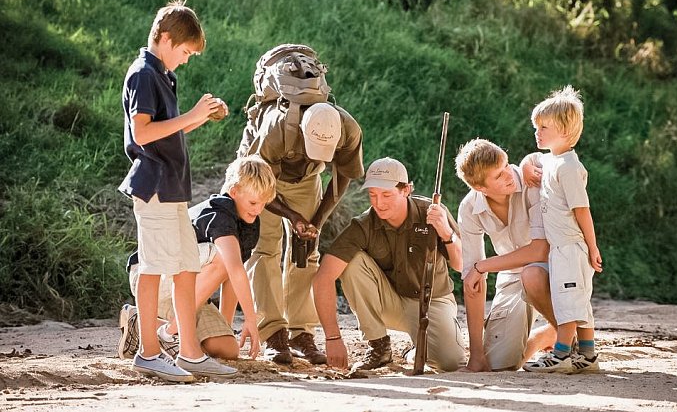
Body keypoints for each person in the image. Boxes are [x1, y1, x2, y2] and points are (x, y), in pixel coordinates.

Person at [118, 0, 235, 382]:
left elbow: (167, 131)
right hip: (152, 187)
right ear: (165, 38)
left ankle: (189, 352)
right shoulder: (143, 73)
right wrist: (191, 116)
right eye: (184, 51)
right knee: (153, 269)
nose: (185, 59)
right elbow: (143, 133)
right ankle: (148, 352)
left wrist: (200, 117)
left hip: (172, 188)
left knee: (187, 268)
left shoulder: (164, 74)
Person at [237, 97, 364, 364]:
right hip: (262, 174)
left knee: (306, 251)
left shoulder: (349, 130)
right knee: (265, 247)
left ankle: (300, 332)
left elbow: (342, 180)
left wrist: (316, 222)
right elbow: (257, 183)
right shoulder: (276, 128)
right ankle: (273, 331)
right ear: (303, 131)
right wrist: (293, 216)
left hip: (306, 177)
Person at [313, 157, 467, 371]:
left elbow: (461, 265)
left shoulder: (431, 212)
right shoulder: (364, 225)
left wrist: (446, 232)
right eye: (373, 195)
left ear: (406, 190)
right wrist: (332, 337)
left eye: (386, 194)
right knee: (352, 261)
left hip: (432, 301)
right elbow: (324, 276)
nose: (378, 203)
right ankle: (379, 347)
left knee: (450, 363)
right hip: (389, 304)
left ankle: (415, 351)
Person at [118, 155, 276, 363]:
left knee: (228, 349)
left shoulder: (249, 221)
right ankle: (167, 333)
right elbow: (234, 269)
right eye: (253, 202)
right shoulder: (219, 212)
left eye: (263, 204)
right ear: (234, 191)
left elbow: (230, 279)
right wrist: (250, 318)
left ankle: (141, 325)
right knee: (223, 257)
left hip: (191, 292)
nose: (258, 209)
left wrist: (225, 325)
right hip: (155, 279)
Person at [455, 138, 557, 372]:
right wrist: (476, 354)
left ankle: (565, 332)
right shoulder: (469, 208)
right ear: (480, 187)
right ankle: (544, 337)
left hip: (553, 269)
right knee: (499, 364)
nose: (510, 174)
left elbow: (539, 250)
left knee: (532, 274)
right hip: (512, 277)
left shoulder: (530, 179)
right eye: (499, 175)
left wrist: (529, 160)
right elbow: (472, 281)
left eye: (507, 165)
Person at [522, 85, 603, 373]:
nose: (537, 132)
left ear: (566, 131)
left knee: (568, 302)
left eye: (544, 127)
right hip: (560, 248)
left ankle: (561, 354)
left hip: (571, 247)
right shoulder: (552, 160)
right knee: (578, 300)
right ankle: (588, 355)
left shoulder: (569, 167)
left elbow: (582, 210)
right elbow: (532, 160)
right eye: (536, 126)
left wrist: (592, 248)